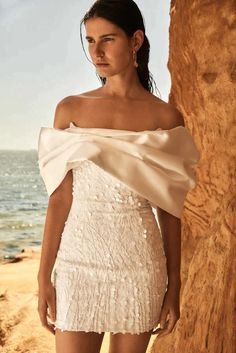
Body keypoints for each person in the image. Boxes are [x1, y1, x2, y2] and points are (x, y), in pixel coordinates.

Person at [37, 1, 200, 353]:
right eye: (90, 40)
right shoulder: (70, 109)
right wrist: (43, 276)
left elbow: (169, 210)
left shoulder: (166, 117)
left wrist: (175, 285)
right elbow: (60, 199)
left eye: (107, 39)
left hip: (140, 268)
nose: (96, 51)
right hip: (77, 265)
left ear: (136, 41)